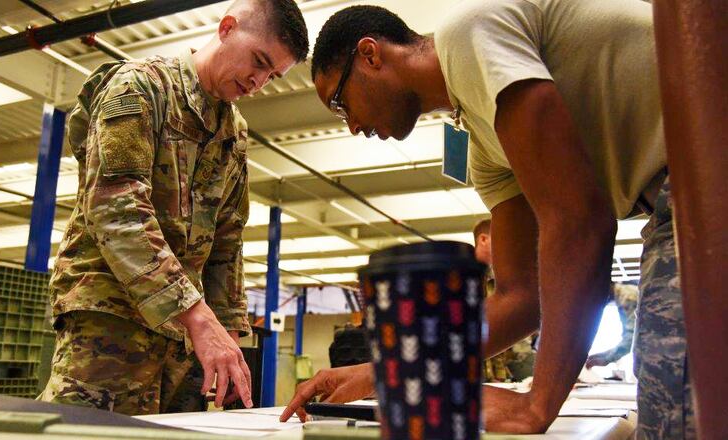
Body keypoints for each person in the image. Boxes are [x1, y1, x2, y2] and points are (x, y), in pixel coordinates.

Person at [281, 2, 693, 437]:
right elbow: (522, 297)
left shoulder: (468, 34)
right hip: (676, 197)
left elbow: (578, 222)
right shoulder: (485, 150)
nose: (352, 127)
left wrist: (536, 405)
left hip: (704, 167)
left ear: (370, 55)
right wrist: (382, 373)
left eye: (341, 103)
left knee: (678, 414)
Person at [38, 0, 308, 415]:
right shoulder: (139, 87)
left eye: (272, 76)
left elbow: (226, 244)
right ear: (227, 28)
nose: (258, 82)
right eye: (258, 61)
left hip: (183, 340)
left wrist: (230, 337)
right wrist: (200, 318)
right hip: (111, 323)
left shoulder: (233, 132)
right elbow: (115, 208)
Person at [473, 219, 536, 382]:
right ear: (483, 240)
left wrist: (498, 377)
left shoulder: (498, 281)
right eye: (503, 241)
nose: (510, 247)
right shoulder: (461, 278)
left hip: (492, 378)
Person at [586, 282, 639, 369]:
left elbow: (632, 339)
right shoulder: (625, 292)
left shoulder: (627, 298)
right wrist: (604, 355)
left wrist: (607, 359)